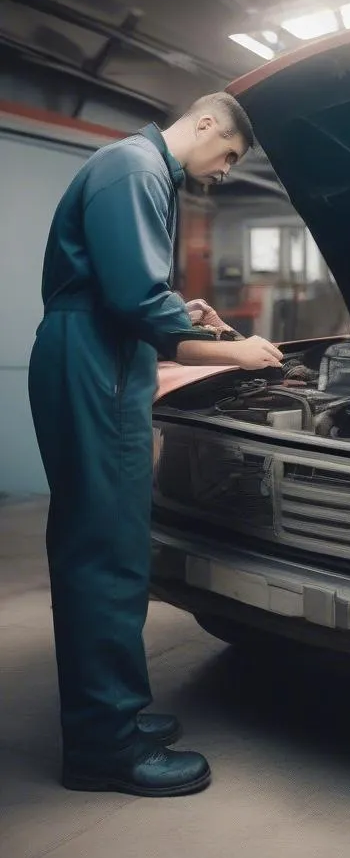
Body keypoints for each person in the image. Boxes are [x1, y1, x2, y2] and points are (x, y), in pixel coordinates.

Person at [28, 93, 284, 798]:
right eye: (229, 154)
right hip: (97, 360)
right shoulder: (136, 168)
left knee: (111, 546)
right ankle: (103, 747)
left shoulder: (139, 170)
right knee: (103, 555)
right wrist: (239, 355)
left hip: (103, 357)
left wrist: (184, 307)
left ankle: (115, 717)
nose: (225, 170)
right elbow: (135, 302)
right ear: (206, 122)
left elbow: (137, 292)